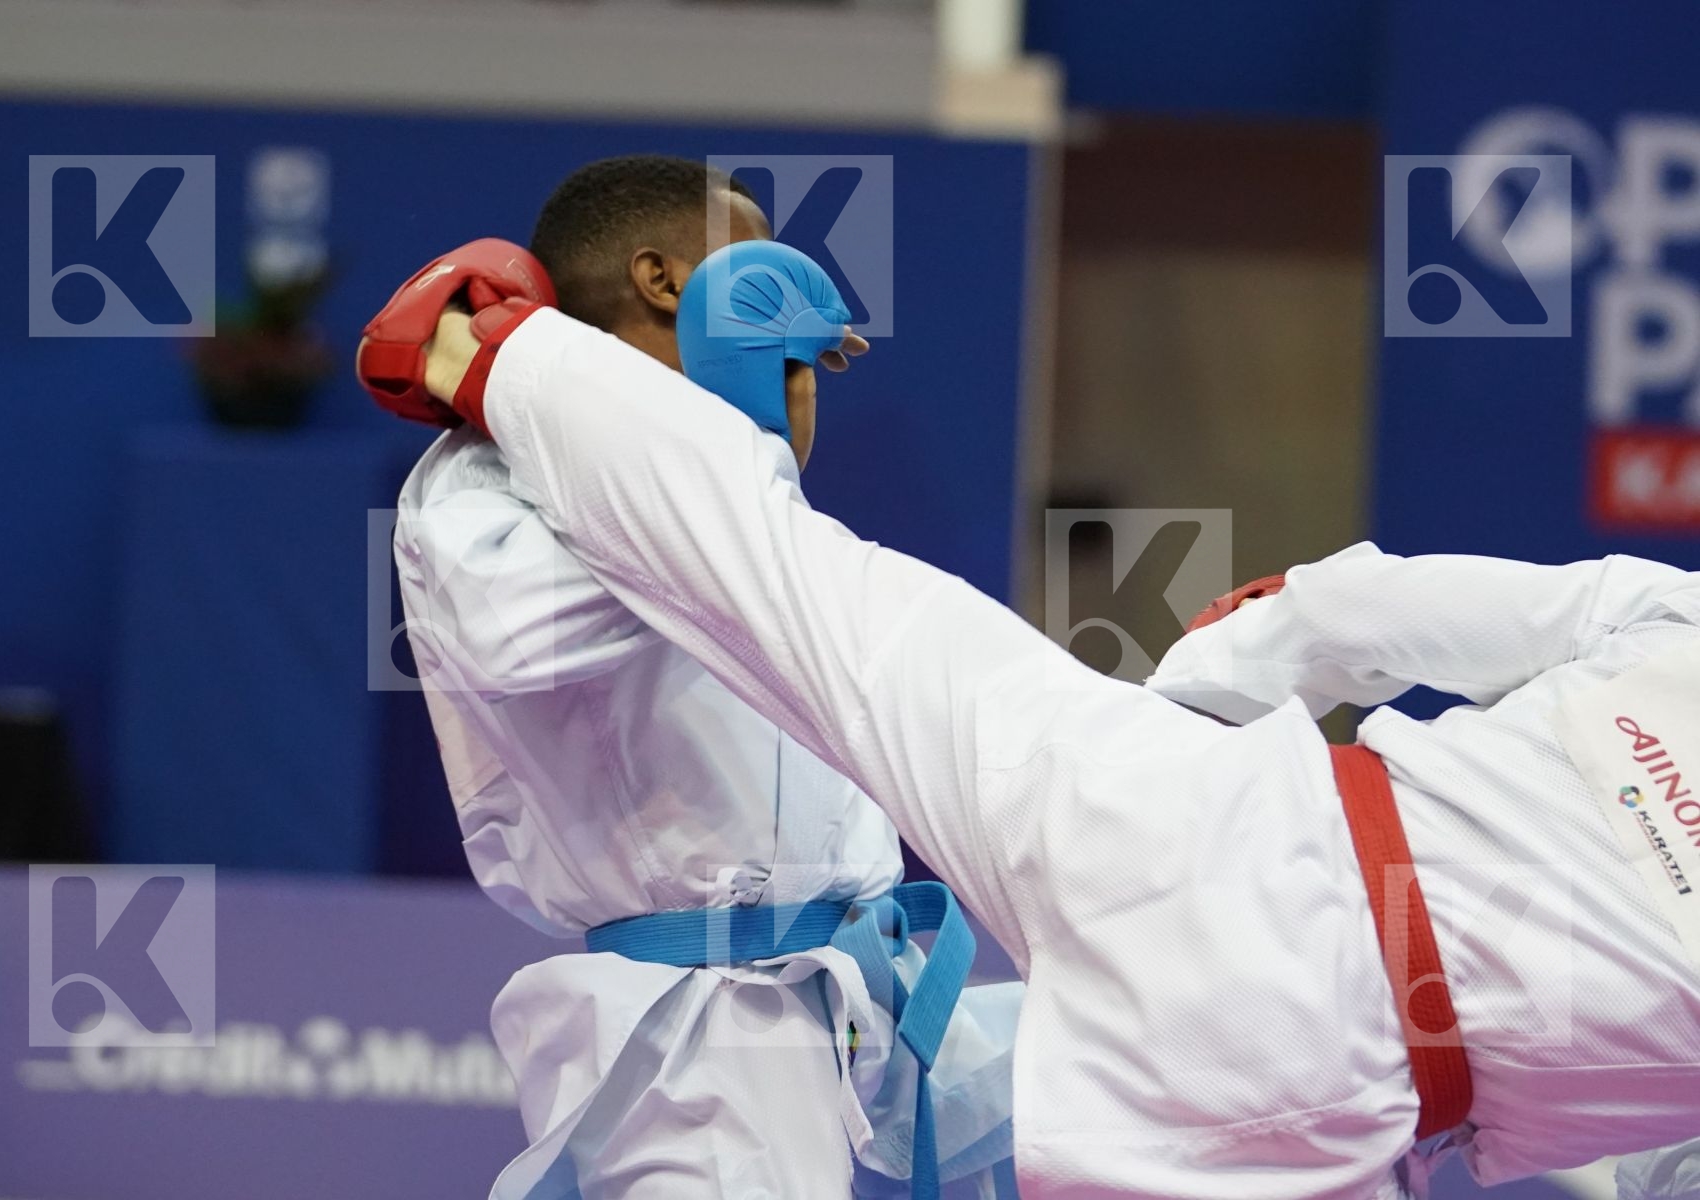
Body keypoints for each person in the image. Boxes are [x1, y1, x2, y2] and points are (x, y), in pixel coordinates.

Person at [385, 238, 1700, 1199]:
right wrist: (1223, 686)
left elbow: (1357, 611)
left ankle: (494, 348)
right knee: (816, 598)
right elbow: (1359, 611)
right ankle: (497, 355)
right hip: (1267, 928)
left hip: (1268, 943)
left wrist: (1223, 680)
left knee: (809, 592)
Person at [367, 156, 1018, 1200]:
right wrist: (724, 447)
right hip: (688, 1043)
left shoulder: (735, 485)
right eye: (753, 255)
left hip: (844, 1003)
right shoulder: (482, 475)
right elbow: (513, 641)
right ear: (668, 280)